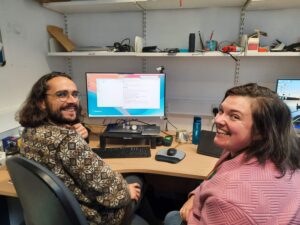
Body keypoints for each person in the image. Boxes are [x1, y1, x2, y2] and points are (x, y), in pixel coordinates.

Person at [16, 72, 148, 225]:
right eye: (62, 95)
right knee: (137, 179)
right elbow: (108, 190)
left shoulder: (29, 132)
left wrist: (80, 139)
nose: (72, 101)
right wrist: (126, 190)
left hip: (57, 214)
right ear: (41, 102)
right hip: (93, 217)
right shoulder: (67, 140)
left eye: (74, 94)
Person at [165, 83, 300, 225]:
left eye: (234, 116)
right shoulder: (275, 151)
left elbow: (225, 198)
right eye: (221, 111)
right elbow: (213, 178)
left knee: (172, 217)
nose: (217, 120)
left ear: (262, 130)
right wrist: (195, 196)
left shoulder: (227, 200)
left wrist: (191, 216)